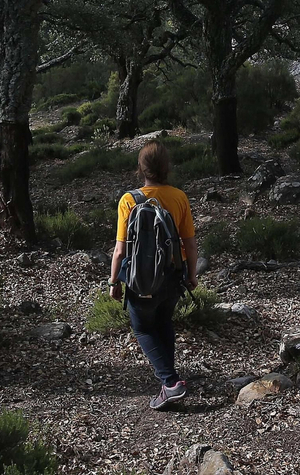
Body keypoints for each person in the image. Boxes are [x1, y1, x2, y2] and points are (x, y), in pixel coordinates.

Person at [109, 139, 199, 410]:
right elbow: (190, 244)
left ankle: (170, 382)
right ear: (166, 167)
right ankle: (169, 384)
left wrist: (114, 282)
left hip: (140, 280)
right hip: (171, 276)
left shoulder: (129, 200)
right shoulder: (179, 197)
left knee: (143, 327)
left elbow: (119, 250)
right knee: (164, 323)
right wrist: (191, 275)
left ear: (141, 168)